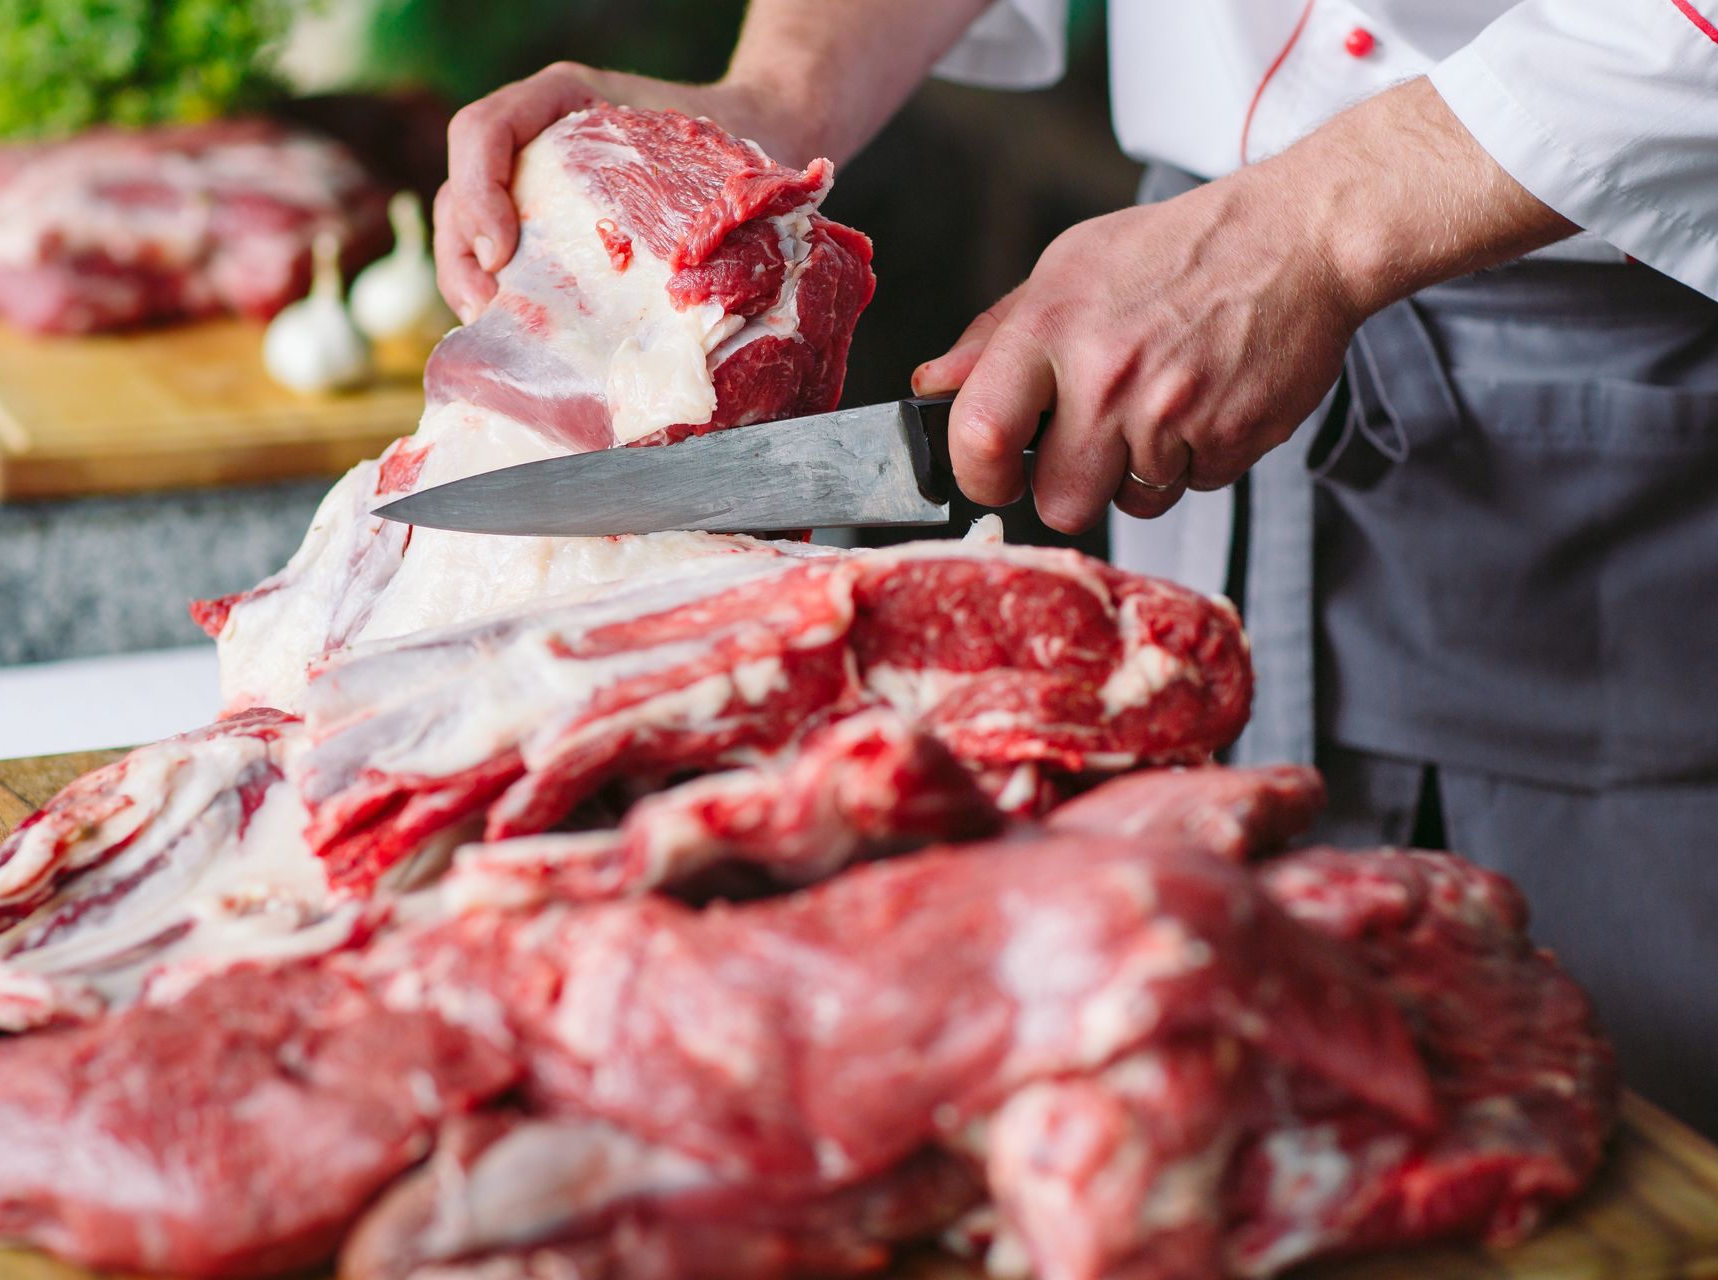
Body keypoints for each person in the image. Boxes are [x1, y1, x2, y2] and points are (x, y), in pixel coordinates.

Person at [428, 1, 1718, 1134]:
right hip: (1171, 330)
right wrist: (771, 94)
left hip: (1612, 389)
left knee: (1597, 1096)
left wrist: (1316, 232)